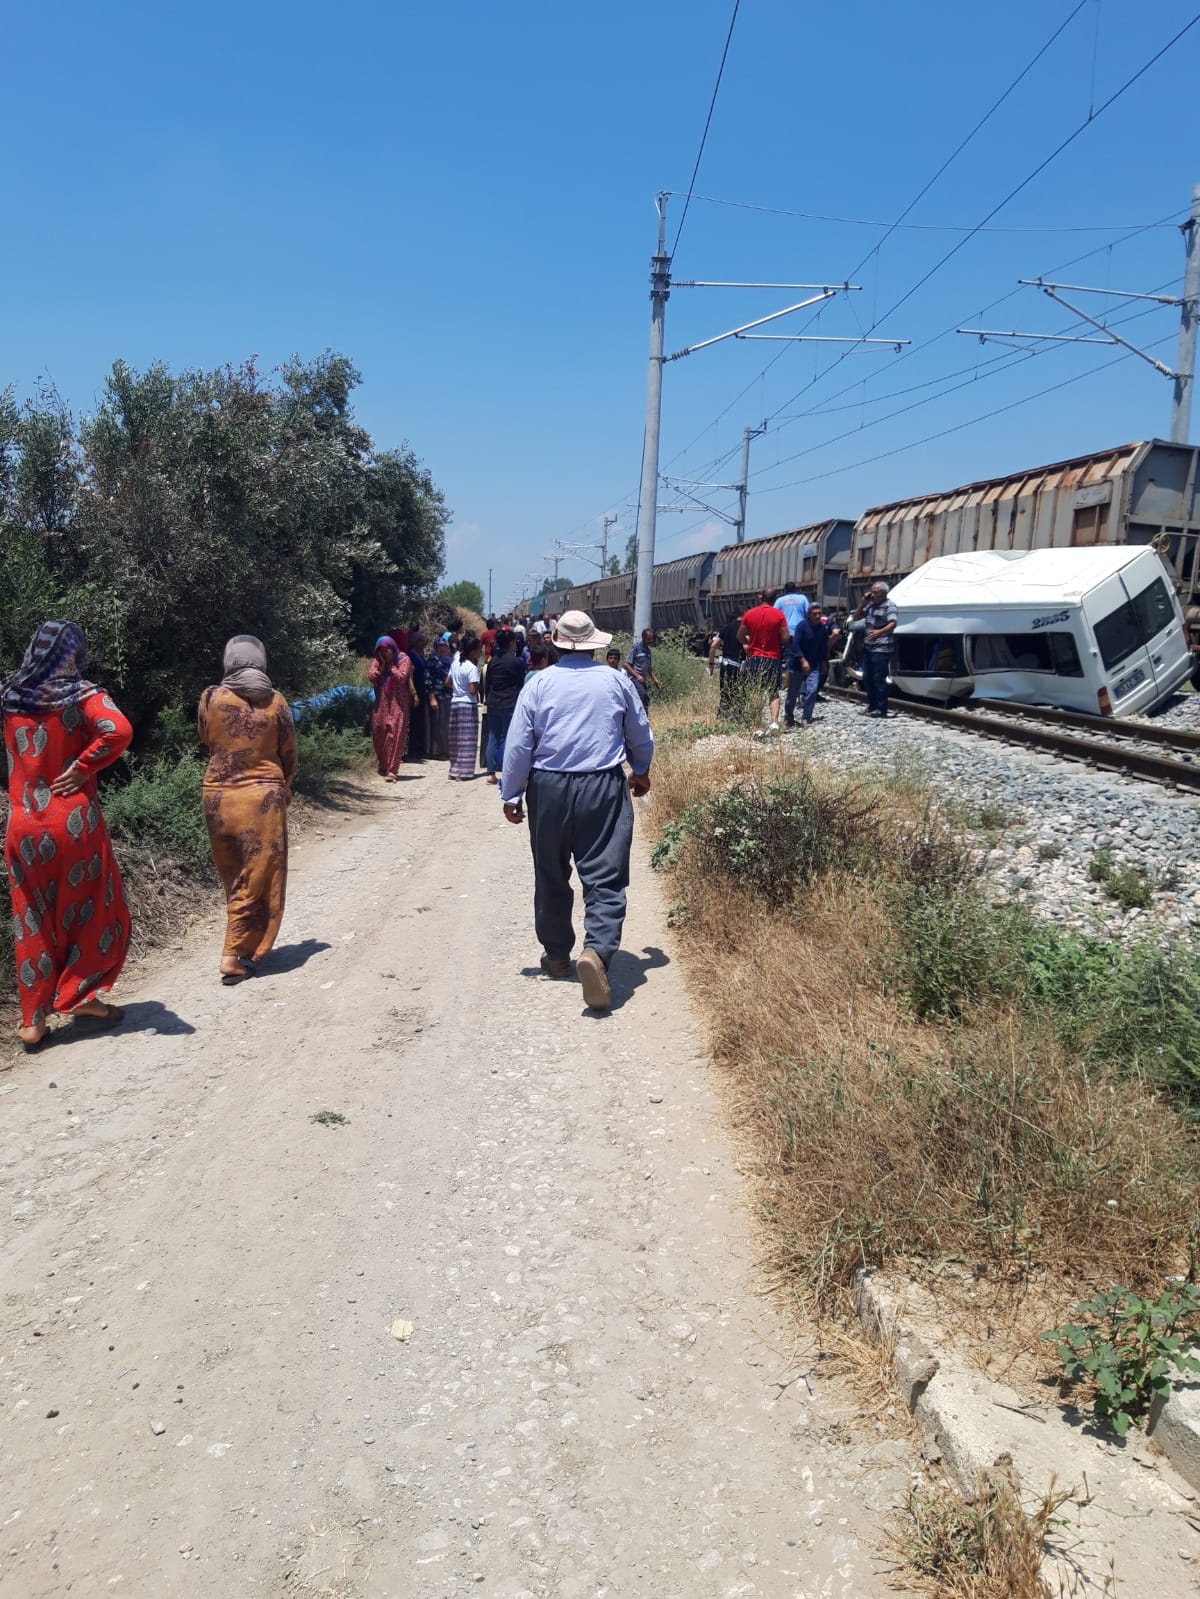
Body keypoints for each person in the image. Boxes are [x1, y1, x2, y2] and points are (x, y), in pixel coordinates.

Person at [501, 610, 653, 1014]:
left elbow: (519, 744)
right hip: (602, 785)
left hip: (548, 786)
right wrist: (640, 771)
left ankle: (556, 956)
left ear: (555, 644)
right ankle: (596, 952)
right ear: (594, 645)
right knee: (605, 874)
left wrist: (512, 794)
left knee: (551, 871)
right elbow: (640, 733)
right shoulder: (616, 680)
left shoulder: (538, 683)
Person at [3, 620, 133, 1051]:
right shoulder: (82, 694)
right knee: (91, 908)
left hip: (23, 825)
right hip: (73, 823)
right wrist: (82, 766)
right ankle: (81, 998)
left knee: (31, 920)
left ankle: (33, 1022)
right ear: (73, 654)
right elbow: (118, 730)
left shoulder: (9, 694)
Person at [198, 636, 298, 984]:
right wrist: (286, 785)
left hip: (217, 798)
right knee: (258, 876)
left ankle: (240, 945)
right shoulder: (276, 701)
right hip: (262, 800)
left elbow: (206, 736)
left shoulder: (210, 697)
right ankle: (234, 953)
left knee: (234, 876)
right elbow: (288, 752)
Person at [738, 587, 790, 733]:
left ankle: (757, 726)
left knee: (757, 691)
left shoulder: (749, 614)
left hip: (754, 657)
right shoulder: (779, 615)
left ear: (761, 597)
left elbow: (739, 635)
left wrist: (748, 644)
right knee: (773, 691)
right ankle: (774, 723)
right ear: (774, 599)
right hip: (773, 657)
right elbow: (786, 638)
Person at [483, 628, 526, 785]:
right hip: (510, 703)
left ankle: (491, 773)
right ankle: (507, 771)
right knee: (508, 737)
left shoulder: (492, 661)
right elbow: (521, 683)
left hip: (493, 702)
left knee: (493, 737)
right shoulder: (516, 662)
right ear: (512, 643)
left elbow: (488, 683)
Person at [367, 635, 413, 781]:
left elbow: (401, 677)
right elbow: (371, 677)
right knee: (379, 731)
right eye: (381, 651)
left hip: (398, 703)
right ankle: (383, 763)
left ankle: (392, 770)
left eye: (386, 650)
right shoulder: (378, 661)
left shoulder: (403, 659)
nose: (384, 653)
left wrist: (391, 665)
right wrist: (381, 667)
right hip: (382, 703)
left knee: (395, 734)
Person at [854, 581, 898, 717]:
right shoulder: (870, 605)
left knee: (879, 678)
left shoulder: (889, 606)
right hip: (869, 647)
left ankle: (881, 708)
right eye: (871, 592)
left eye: (876, 592)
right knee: (867, 678)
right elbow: (856, 617)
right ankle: (872, 705)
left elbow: (892, 623)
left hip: (882, 647)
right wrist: (862, 602)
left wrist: (880, 632)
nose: (872, 595)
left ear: (883, 593)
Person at [786, 608, 830, 728]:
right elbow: (795, 645)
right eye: (815, 614)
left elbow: (823, 646)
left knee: (812, 690)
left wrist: (824, 662)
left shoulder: (822, 628)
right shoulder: (802, 626)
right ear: (809, 615)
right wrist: (802, 660)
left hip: (814, 664)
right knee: (793, 693)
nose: (818, 616)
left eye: (819, 613)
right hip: (797, 664)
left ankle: (806, 718)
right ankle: (789, 717)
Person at [448, 638, 482, 779]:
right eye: (479, 650)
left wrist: (458, 689)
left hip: (455, 703)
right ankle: (463, 771)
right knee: (467, 740)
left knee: (455, 740)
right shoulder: (472, 668)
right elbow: (473, 691)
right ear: (473, 651)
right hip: (467, 704)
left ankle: (453, 770)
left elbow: (447, 682)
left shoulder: (455, 663)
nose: (481, 652)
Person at [708, 615, 745, 719]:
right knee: (738, 692)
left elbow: (713, 646)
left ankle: (722, 715)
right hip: (737, 665)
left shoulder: (726, 627)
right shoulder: (745, 628)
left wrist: (711, 664)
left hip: (724, 664)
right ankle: (738, 716)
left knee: (724, 692)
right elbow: (746, 647)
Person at [404, 629, 432, 764]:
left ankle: (419, 749)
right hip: (414, 691)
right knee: (414, 722)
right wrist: (413, 693)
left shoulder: (420, 654)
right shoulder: (410, 655)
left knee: (420, 721)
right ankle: (412, 751)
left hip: (422, 690)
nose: (423, 643)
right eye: (420, 640)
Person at [623, 628, 662, 711]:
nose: (651, 641)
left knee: (646, 700)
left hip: (642, 680)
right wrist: (637, 676)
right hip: (634, 678)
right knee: (642, 695)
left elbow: (649, 668)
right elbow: (626, 665)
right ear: (643, 638)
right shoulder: (636, 648)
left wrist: (655, 680)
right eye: (649, 639)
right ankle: (639, 715)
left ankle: (644, 716)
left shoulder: (648, 651)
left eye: (652, 639)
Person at [429, 639, 453, 759]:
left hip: (449, 695)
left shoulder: (450, 660)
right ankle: (438, 751)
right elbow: (428, 680)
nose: (442, 648)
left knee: (447, 723)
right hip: (438, 695)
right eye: (439, 646)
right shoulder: (433, 660)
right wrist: (431, 697)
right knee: (439, 724)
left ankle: (447, 750)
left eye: (444, 646)